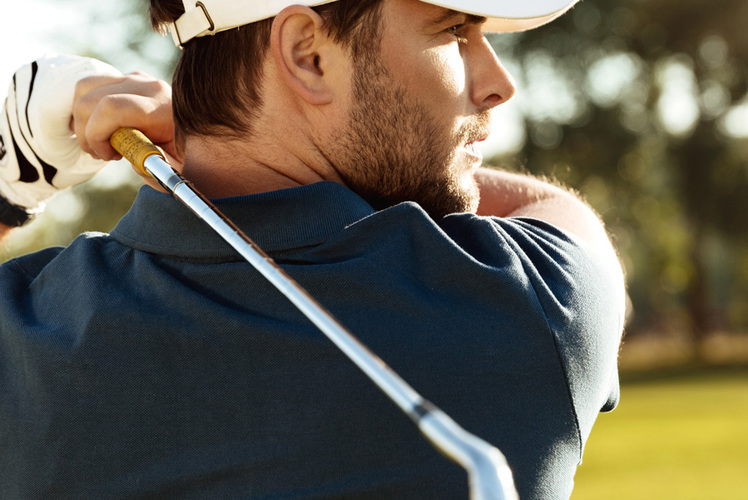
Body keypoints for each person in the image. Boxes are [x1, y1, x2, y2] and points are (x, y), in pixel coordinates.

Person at [0, 0, 626, 498]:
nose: (497, 83)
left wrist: (16, 172)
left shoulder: (24, 332)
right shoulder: (531, 306)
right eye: (454, 31)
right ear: (307, 55)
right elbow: (564, 218)